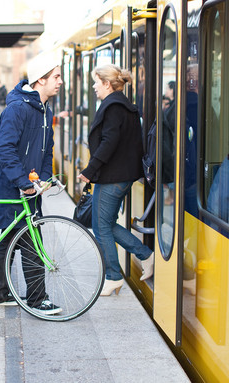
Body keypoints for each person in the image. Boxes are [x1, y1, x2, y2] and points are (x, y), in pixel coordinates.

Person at [0, 55, 63, 313]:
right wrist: (22, 181)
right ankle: (37, 299)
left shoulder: (44, 110)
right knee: (31, 241)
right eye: (56, 76)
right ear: (41, 79)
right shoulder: (18, 108)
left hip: (29, 188)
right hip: (14, 188)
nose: (60, 82)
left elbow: (47, 148)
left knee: (9, 239)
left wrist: (44, 176)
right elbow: (4, 148)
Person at [77, 64, 154, 296]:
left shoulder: (113, 107)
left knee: (101, 228)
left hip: (113, 176)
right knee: (106, 224)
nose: (94, 86)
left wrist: (90, 170)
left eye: (96, 82)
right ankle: (146, 256)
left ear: (107, 84)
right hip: (118, 175)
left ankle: (113, 277)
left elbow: (109, 143)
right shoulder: (121, 105)